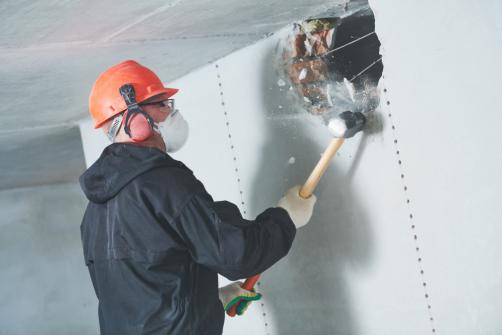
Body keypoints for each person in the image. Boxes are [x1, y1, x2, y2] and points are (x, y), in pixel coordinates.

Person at [79, 60, 317, 335]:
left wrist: (208, 301)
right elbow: (238, 255)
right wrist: (286, 218)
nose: (172, 113)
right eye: (162, 105)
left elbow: (143, 291)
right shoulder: (162, 183)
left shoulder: (96, 211)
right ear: (134, 119)